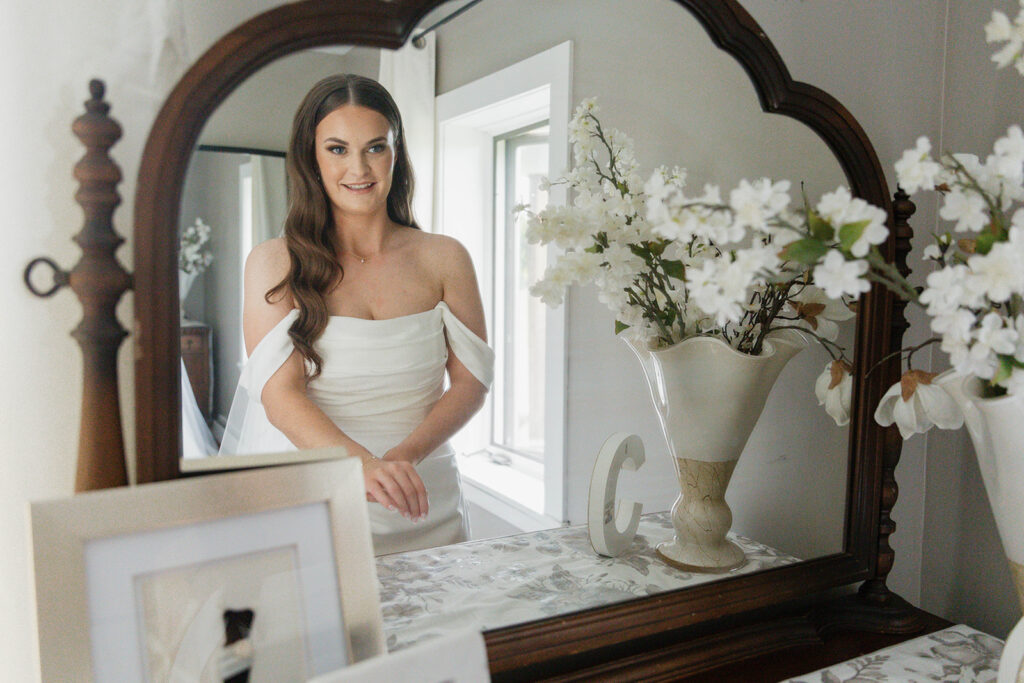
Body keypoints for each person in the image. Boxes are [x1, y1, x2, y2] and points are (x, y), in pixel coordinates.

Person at [219, 74, 493, 554]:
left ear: (396, 154)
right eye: (338, 149)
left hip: (423, 494)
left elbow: (471, 383)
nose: (359, 167)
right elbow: (280, 394)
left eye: (375, 147)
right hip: (319, 497)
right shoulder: (274, 262)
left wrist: (400, 461)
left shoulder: (445, 257)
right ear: (312, 158)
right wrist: (364, 466)